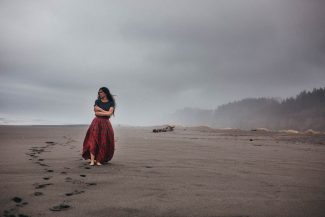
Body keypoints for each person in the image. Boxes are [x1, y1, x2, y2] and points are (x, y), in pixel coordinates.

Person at [82, 87, 116, 166]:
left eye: (100, 92)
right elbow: (96, 113)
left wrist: (101, 110)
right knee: (93, 140)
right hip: (96, 122)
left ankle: (99, 160)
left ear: (105, 93)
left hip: (106, 124)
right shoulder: (97, 101)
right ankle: (92, 160)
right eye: (98, 92)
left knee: (103, 142)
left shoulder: (111, 103)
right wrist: (105, 112)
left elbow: (109, 114)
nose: (99, 93)